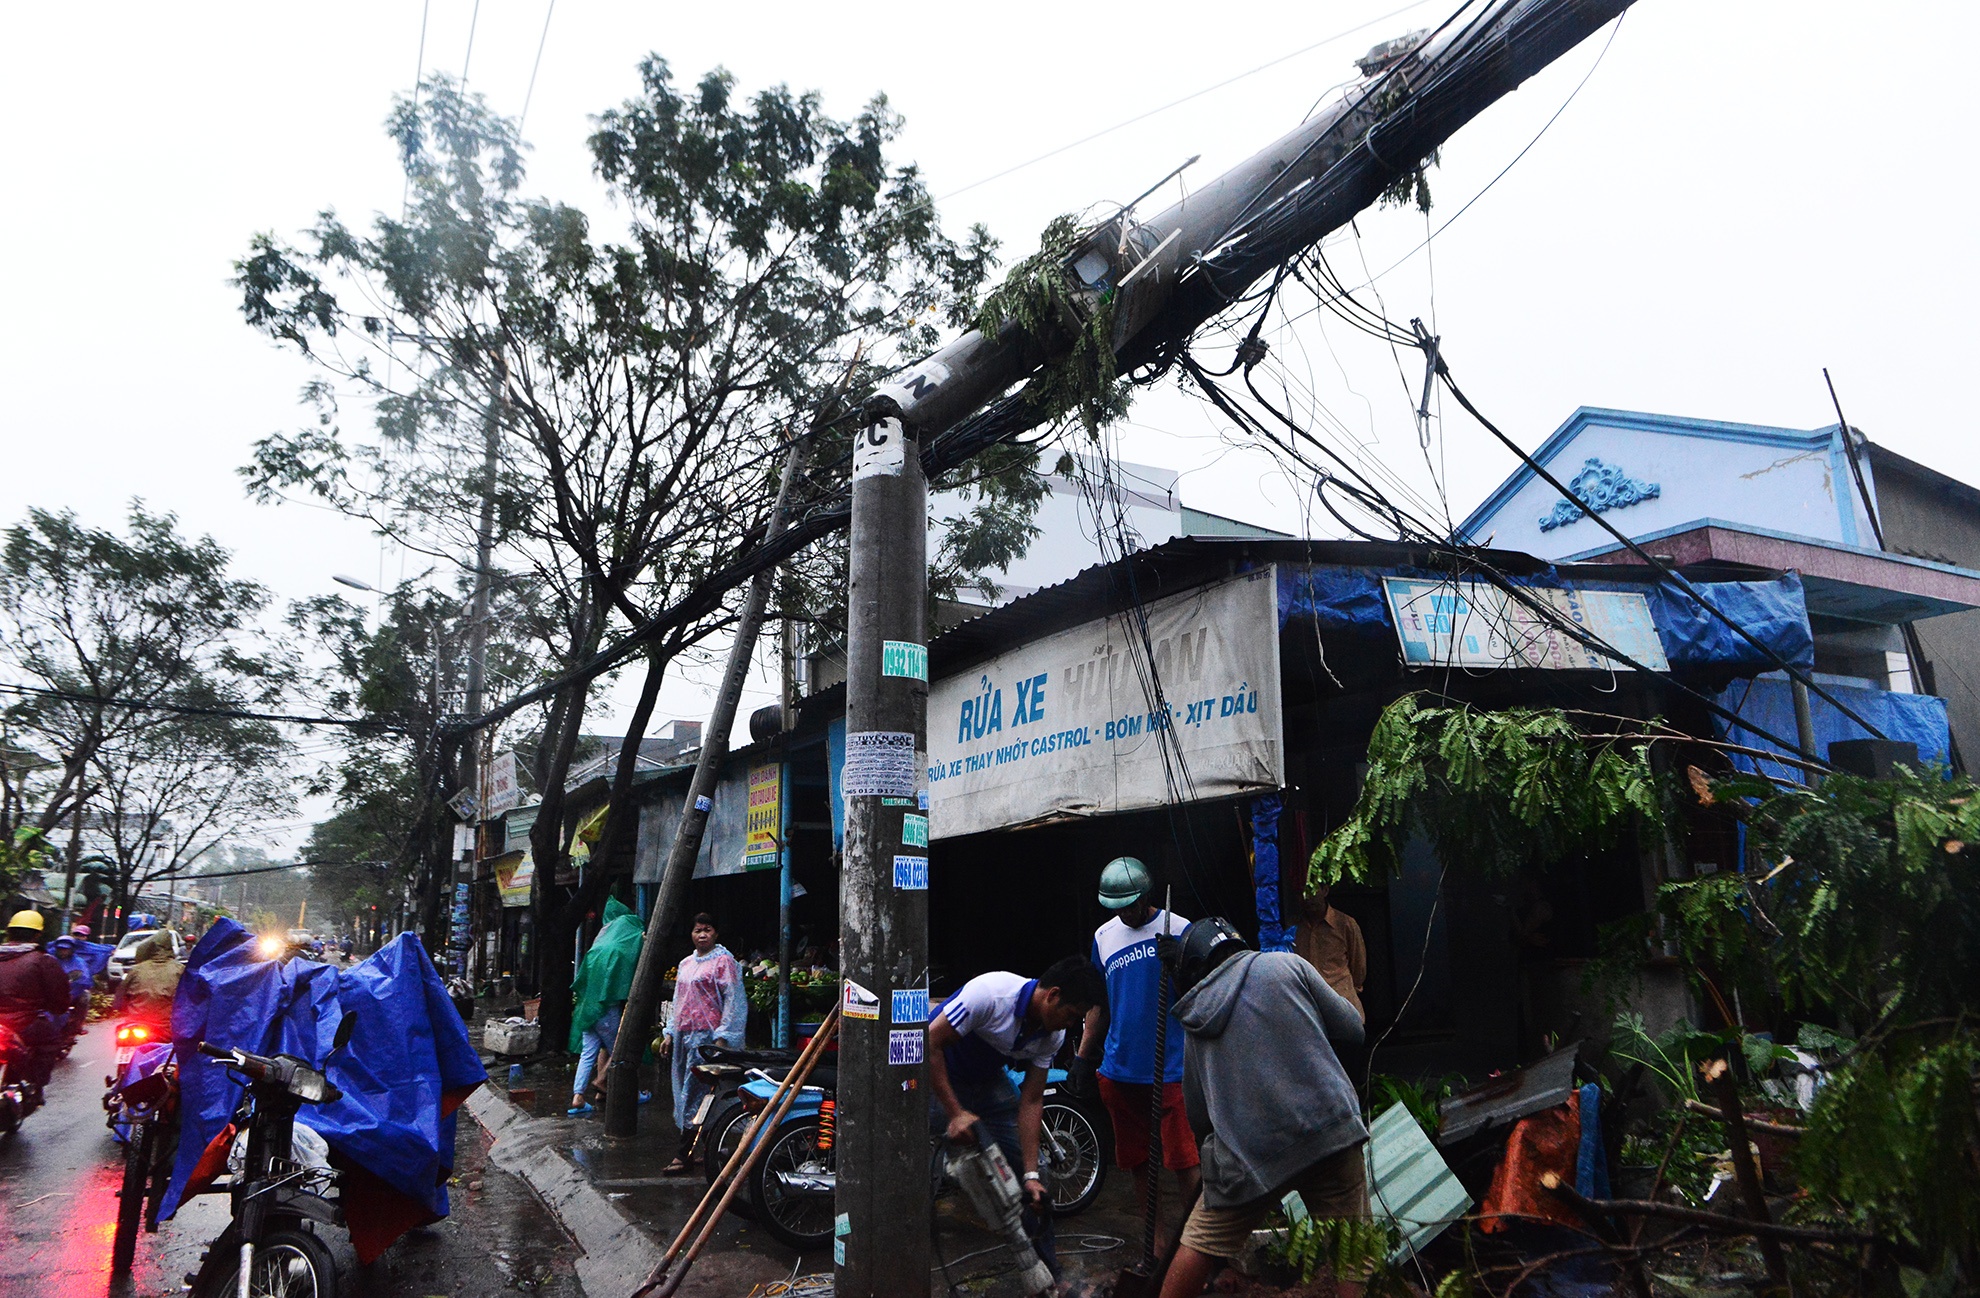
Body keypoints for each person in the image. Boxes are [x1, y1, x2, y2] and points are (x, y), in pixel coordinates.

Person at [1161, 918, 1370, 1298]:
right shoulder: (1285, 965)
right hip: (1329, 1131)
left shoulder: (1194, 1020)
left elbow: (1198, 1117)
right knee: (1350, 1250)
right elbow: (1353, 1029)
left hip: (1249, 1157)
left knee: (1200, 1241)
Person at [929, 956, 1107, 1279]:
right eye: (1071, 1016)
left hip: (986, 1082)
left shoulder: (1052, 1036)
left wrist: (1030, 1176)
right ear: (1052, 995)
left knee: (1038, 1175)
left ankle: (1047, 1274)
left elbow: (1032, 1099)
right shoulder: (991, 994)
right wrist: (954, 1113)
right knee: (907, 1163)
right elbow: (930, 1041)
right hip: (935, 1073)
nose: (1070, 1026)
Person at [1072, 856, 1200, 1254]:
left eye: (1129, 904)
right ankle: (1157, 1248)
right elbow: (1099, 1004)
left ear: (1145, 896)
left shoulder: (1179, 930)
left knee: (1186, 1164)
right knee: (1139, 1164)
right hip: (1121, 1070)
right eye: (1115, 907)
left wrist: (1178, 966)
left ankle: (1201, 1252)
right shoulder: (1103, 937)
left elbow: (1204, 996)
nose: (1123, 914)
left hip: (1173, 1069)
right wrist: (1082, 1058)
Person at [659, 913, 745, 1173]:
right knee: (696, 1093)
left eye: (707, 929)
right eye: (698, 930)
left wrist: (723, 1036)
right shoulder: (685, 964)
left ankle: (683, 1154)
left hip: (708, 1038)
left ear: (716, 933)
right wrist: (670, 1033)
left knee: (697, 1093)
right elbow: (678, 1000)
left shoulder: (724, 962)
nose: (702, 934)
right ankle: (709, 1149)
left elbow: (733, 1001)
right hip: (685, 1037)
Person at [567, 896, 648, 1116]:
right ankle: (622, 1089)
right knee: (622, 1050)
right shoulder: (624, 938)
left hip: (587, 1010)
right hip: (606, 1009)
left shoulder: (600, 941)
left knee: (588, 1054)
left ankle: (577, 1097)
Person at [0, 910, 73, 1089]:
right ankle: (34, 1086)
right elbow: (60, 1001)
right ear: (38, 934)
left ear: (9, 932)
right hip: (25, 1024)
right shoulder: (43, 961)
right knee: (50, 1042)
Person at [1295, 878, 1367, 1023]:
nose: (1309, 897)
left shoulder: (1345, 924)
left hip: (1341, 1002)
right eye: (1304, 891)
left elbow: (1359, 965)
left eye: (1313, 890)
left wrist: (1351, 990)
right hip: (1308, 1007)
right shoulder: (1294, 927)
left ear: (1325, 890)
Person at [114, 931, 184, 1027]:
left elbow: (120, 997)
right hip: (167, 1025)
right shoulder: (180, 970)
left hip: (136, 1022)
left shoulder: (136, 970)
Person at [47, 934, 92, 1036]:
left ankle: (77, 1025)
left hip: (71, 992)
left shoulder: (79, 962)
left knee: (85, 997)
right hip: (51, 992)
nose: (63, 952)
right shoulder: (48, 959)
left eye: (65, 949)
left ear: (72, 949)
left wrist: (73, 988)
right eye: (60, 949)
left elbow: (85, 979)